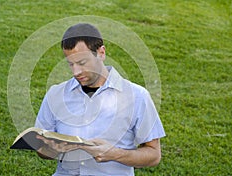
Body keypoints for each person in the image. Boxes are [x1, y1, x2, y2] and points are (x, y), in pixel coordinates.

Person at [34, 23, 165, 176]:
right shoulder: (55, 94)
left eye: (82, 63)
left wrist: (115, 154)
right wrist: (49, 149)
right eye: (71, 64)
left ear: (101, 53)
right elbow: (42, 151)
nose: (76, 72)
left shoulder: (137, 96)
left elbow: (154, 155)